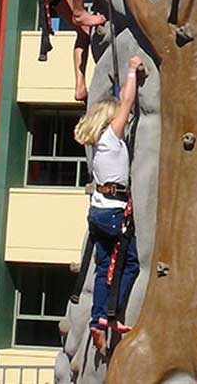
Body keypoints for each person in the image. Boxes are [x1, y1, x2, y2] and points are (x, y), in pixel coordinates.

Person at [74, 55, 145, 352]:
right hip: (114, 213)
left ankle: (102, 320)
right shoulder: (110, 138)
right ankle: (105, 317)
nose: (122, 120)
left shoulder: (99, 143)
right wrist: (131, 71)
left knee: (106, 266)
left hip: (100, 212)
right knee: (128, 264)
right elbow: (127, 101)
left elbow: (123, 101)